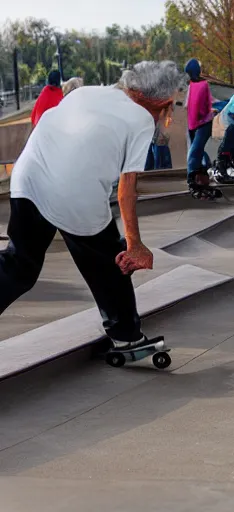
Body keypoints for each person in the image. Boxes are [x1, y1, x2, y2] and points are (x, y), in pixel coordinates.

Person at [1, 61, 180, 351]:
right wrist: (135, 245)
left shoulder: (85, 93)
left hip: (28, 179)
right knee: (114, 259)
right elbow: (126, 190)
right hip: (76, 194)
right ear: (161, 102)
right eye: (169, 107)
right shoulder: (142, 120)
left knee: (19, 264)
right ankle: (127, 337)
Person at [184, 58, 215, 188]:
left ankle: (193, 174)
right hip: (204, 120)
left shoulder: (191, 85)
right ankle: (202, 170)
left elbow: (187, 105)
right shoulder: (203, 84)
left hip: (193, 121)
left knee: (195, 148)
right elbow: (206, 102)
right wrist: (209, 111)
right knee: (197, 149)